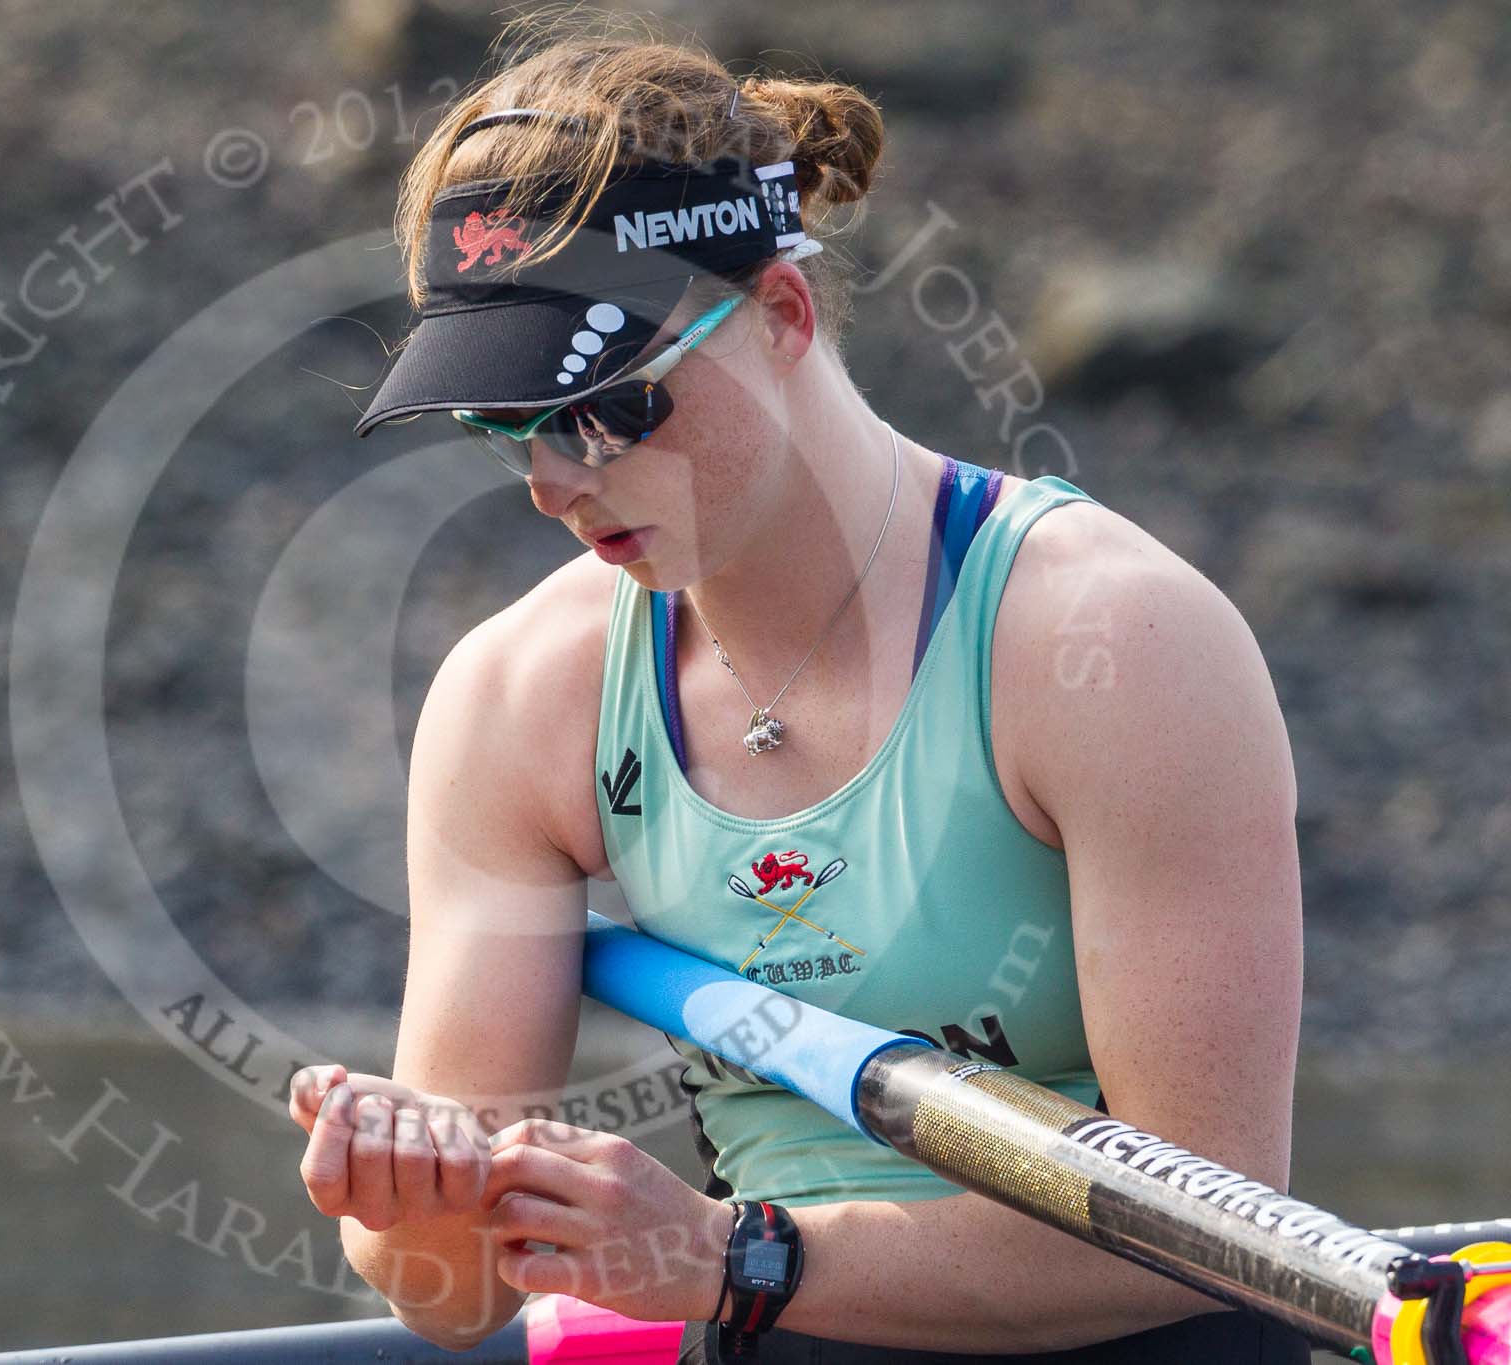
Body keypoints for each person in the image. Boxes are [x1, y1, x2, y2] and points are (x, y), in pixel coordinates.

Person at [287, 17, 1309, 1364]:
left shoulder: (1112, 638)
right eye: (507, 423)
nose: (556, 478)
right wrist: (407, 1210)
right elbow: (453, 1298)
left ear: (781, 313)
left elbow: (1215, 1221)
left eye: (609, 404)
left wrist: (733, 1254)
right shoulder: (516, 700)